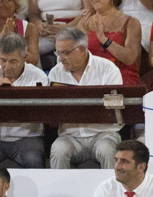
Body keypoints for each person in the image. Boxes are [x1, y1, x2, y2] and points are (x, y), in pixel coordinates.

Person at [48, 27, 124, 169]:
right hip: (70, 136)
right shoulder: (55, 73)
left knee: (108, 150)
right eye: (58, 53)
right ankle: (59, 190)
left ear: (82, 50)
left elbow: (115, 106)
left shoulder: (107, 69)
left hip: (103, 134)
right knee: (58, 150)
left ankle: (113, 191)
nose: (60, 58)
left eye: (65, 52)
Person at [0, 33, 47, 169]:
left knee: (33, 160)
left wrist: (12, 93)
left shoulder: (38, 78)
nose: (7, 66)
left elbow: (39, 113)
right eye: (3, 60)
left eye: (13, 61)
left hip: (26, 138)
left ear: (24, 58)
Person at [74, 0, 141, 87]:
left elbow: (130, 58)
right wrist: (83, 38)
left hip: (122, 78)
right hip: (92, 79)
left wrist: (104, 40)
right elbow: (73, 59)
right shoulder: (84, 23)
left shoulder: (131, 23)